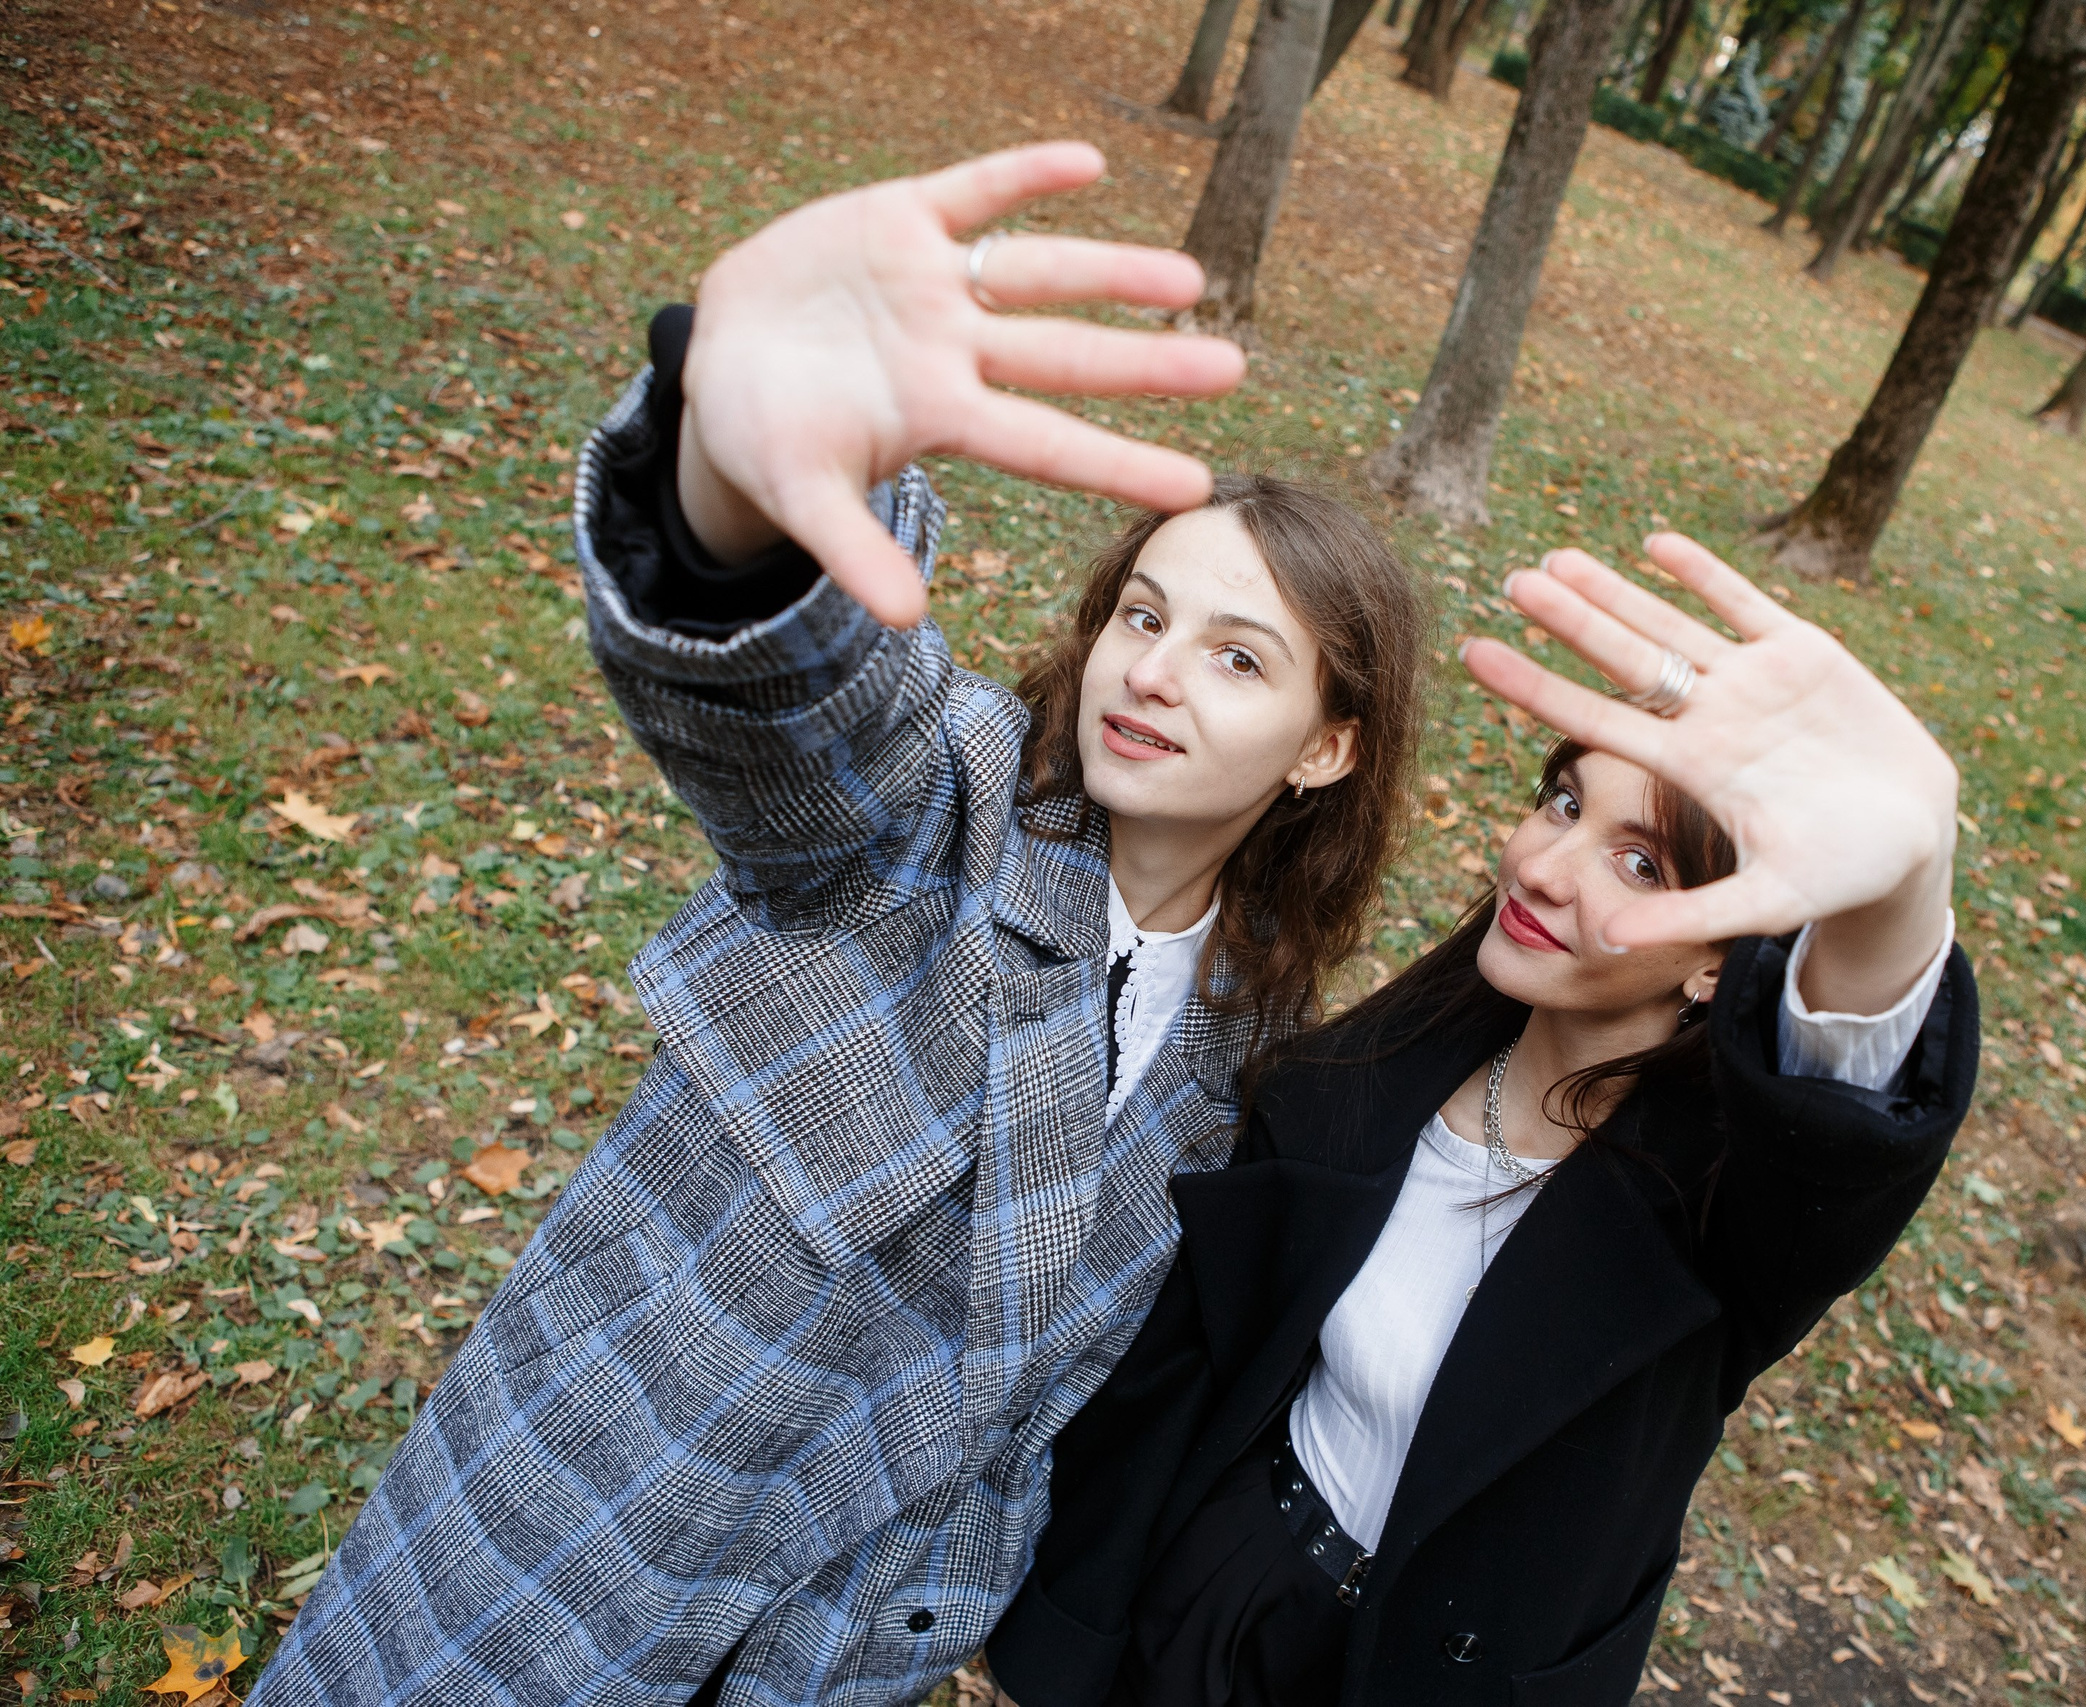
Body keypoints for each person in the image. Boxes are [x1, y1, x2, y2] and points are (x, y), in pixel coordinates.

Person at [246, 143, 1428, 1707]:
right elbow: (794, 710)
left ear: (1329, 742)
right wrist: (733, 489)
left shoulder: (1257, 1047)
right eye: (1142, 616)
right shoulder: (945, 805)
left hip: (832, 1650)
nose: (1152, 672)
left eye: (1237, 657)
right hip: (567, 1557)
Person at [985, 536, 1978, 1707]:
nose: (1547, 867)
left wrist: (1901, 890)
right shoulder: (1377, 1066)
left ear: (1725, 960)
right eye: (1562, 802)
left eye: (1642, 864)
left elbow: (1848, 1109)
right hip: (1214, 1599)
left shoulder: (1727, 1219)